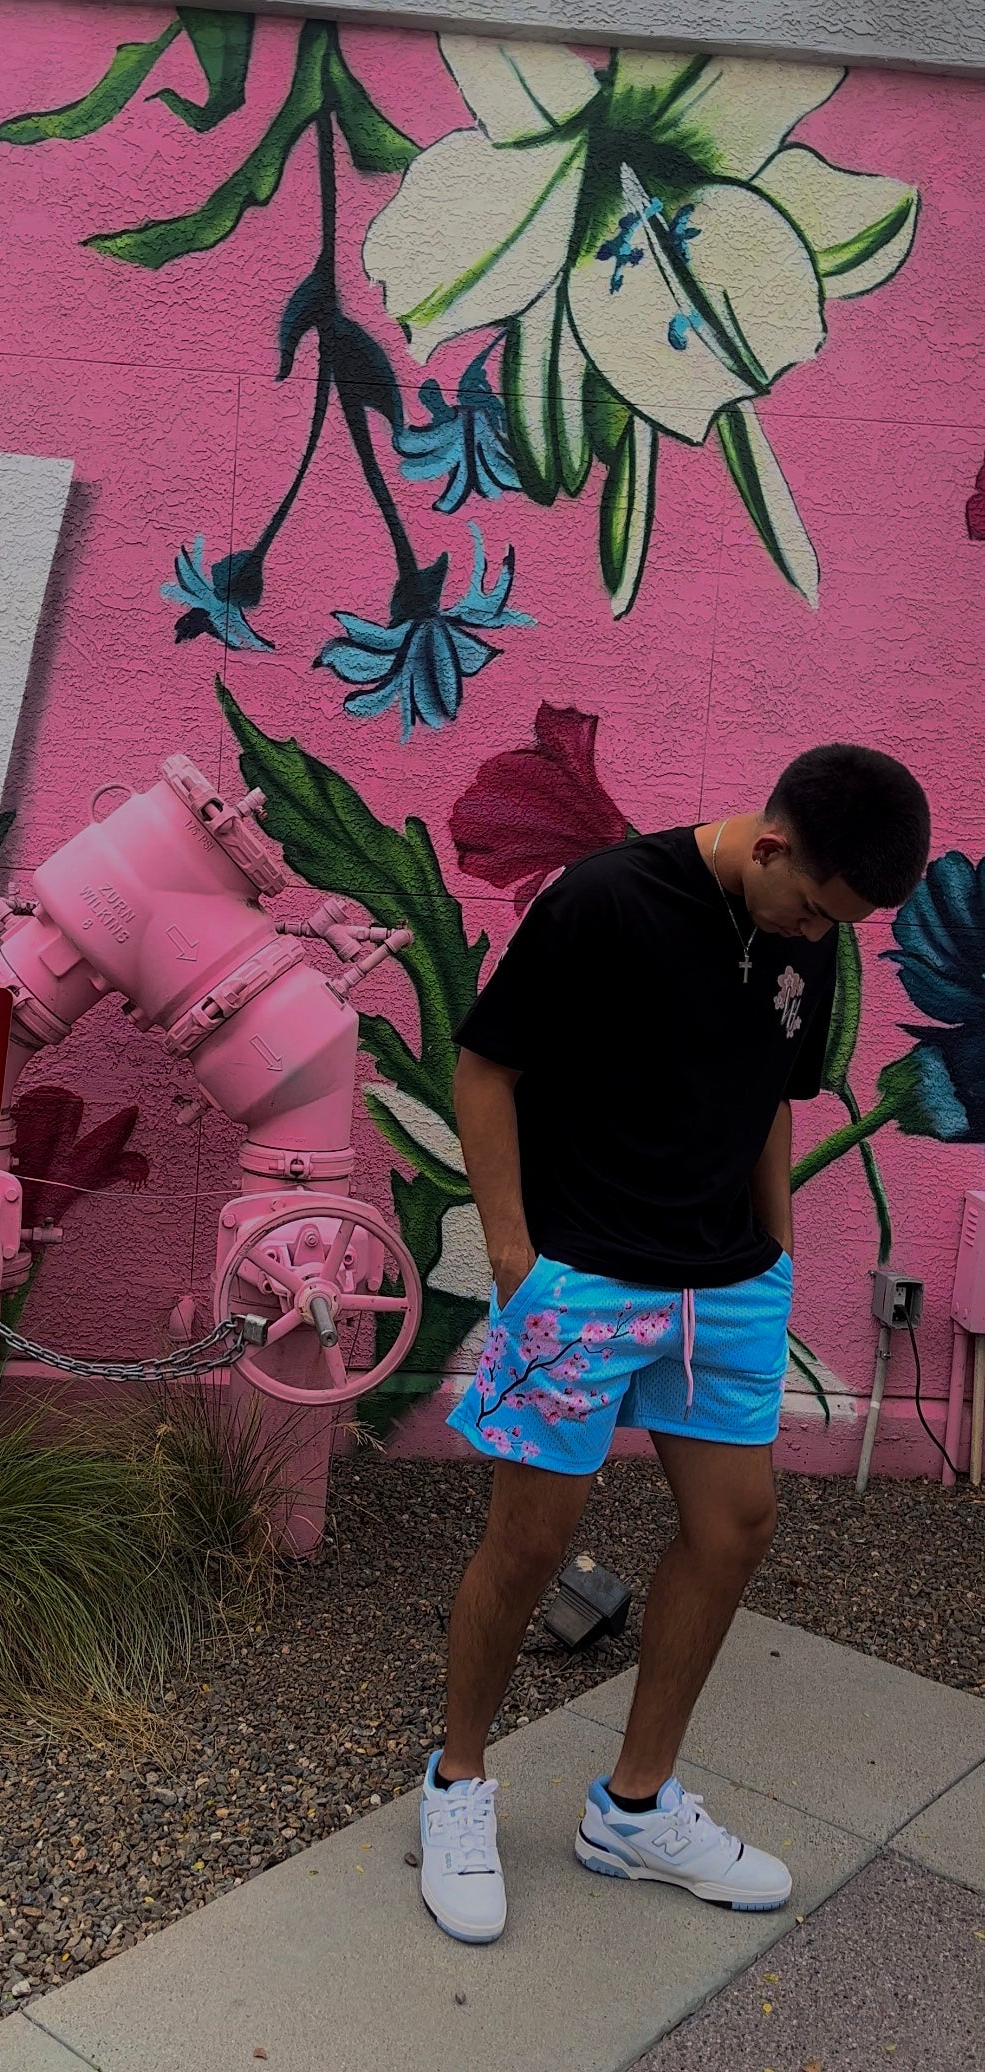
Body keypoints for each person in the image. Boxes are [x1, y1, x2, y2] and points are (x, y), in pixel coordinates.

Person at [419, 743, 931, 1943]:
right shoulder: (602, 898)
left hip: (728, 1284)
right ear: (769, 843)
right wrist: (512, 1259)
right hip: (583, 1279)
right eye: (811, 903)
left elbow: (770, 1094)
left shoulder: (813, 926)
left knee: (736, 1525)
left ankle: (634, 1809)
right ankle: (457, 1784)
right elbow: (487, 1066)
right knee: (532, 1538)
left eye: (838, 920)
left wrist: (779, 1251)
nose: (820, 931)